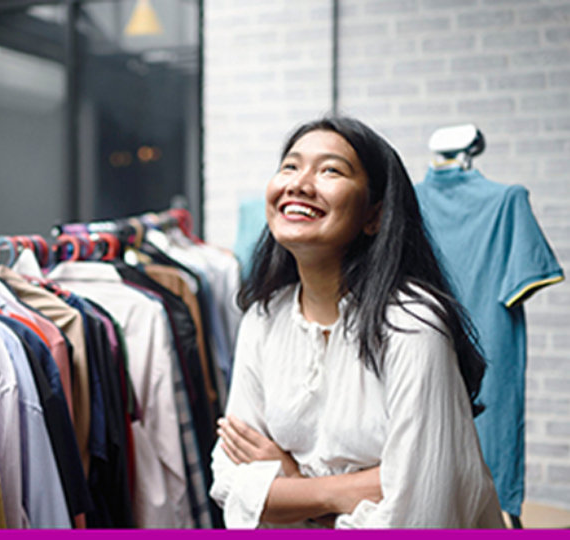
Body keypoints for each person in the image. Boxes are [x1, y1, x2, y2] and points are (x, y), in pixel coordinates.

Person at [209, 116, 504, 528]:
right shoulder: (264, 315)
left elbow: (417, 514)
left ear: (375, 216)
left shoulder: (412, 324)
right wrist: (339, 491)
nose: (299, 184)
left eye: (330, 170)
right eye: (290, 166)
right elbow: (229, 482)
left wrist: (290, 484)